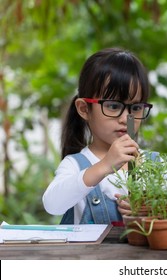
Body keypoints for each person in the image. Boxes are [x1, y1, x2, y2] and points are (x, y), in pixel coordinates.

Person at [42, 47, 153, 224]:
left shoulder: (155, 165)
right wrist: (105, 165)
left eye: (136, 107)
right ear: (84, 109)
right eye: (114, 106)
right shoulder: (75, 166)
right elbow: (52, 204)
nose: (126, 118)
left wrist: (153, 211)